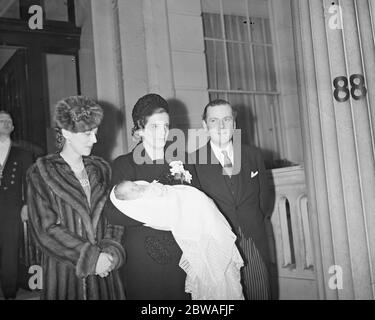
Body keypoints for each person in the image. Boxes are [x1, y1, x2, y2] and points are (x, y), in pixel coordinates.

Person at [27, 96, 125, 300]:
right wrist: (91, 258)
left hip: (105, 275)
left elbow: (114, 218)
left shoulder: (102, 169)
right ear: (66, 133)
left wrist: (110, 253)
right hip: (66, 275)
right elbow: (45, 230)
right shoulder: (41, 172)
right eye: (88, 134)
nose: (95, 140)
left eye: (95, 133)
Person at [104, 93, 199, 300]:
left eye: (166, 126)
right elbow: (112, 213)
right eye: (155, 127)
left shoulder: (181, 162)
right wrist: (159, 215)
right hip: (140, 260)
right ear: (140, 129)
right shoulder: (123, 165)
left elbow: (196, 205)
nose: (163, 132)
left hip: (180, 255)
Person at [190, 99, 273, 300]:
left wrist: (252, 223)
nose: (221, 126)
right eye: (214, 121)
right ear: (204, 126)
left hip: (253, 243)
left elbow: (265, 200)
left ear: (234, 124)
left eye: (226, 119)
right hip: (219, 249)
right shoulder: (193, 161)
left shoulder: (253, 155)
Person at [110, 179, 244, 300]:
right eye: (132, 190)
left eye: (134, 185)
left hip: (194, 204)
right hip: (163, 248)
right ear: (128, 199)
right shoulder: (137, 204)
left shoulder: (147, 188)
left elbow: (167, 191)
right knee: (209, 271)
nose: (136, 188)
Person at [0, 111, 33, 299]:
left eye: (8, 121)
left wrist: (27, 205)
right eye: (1, 121)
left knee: (10, 251)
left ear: (13, 127)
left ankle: (9, 292)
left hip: (12, 208)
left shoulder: (23, 153)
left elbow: (30, 181)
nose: (5, 123)